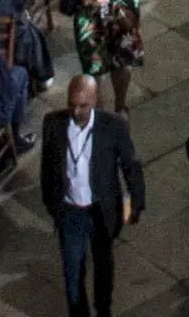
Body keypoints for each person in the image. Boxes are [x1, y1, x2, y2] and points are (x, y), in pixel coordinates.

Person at [38, 72, 144, 317]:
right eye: (71, 104)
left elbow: (130, 165)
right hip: (69, 210)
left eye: (83, 105)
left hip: (101, 209)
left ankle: (103, 310)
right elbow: (47, 168)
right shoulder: (53, 124)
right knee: (72, 271)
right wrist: (51, 203)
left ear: (96, 99)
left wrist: (136, 202)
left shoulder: (113, 126)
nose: (76, 111)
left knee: (103, 267)